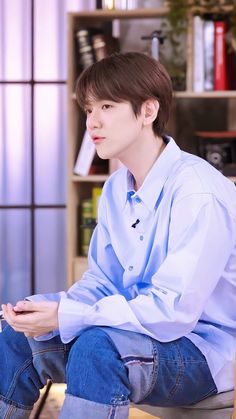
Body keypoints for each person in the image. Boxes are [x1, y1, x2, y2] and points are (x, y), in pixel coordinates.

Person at [0, 52, 236, 419]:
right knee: (20, 338)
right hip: (137, 339)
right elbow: (103, 281)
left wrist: (69, 315)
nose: (92, 122)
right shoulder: (114, 190)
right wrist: (47, 310)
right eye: (89, 109)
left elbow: (173, 311)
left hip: (204, 352)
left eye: (107, 106)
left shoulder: (198, 192)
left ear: (148, 112)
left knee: (97, 347)